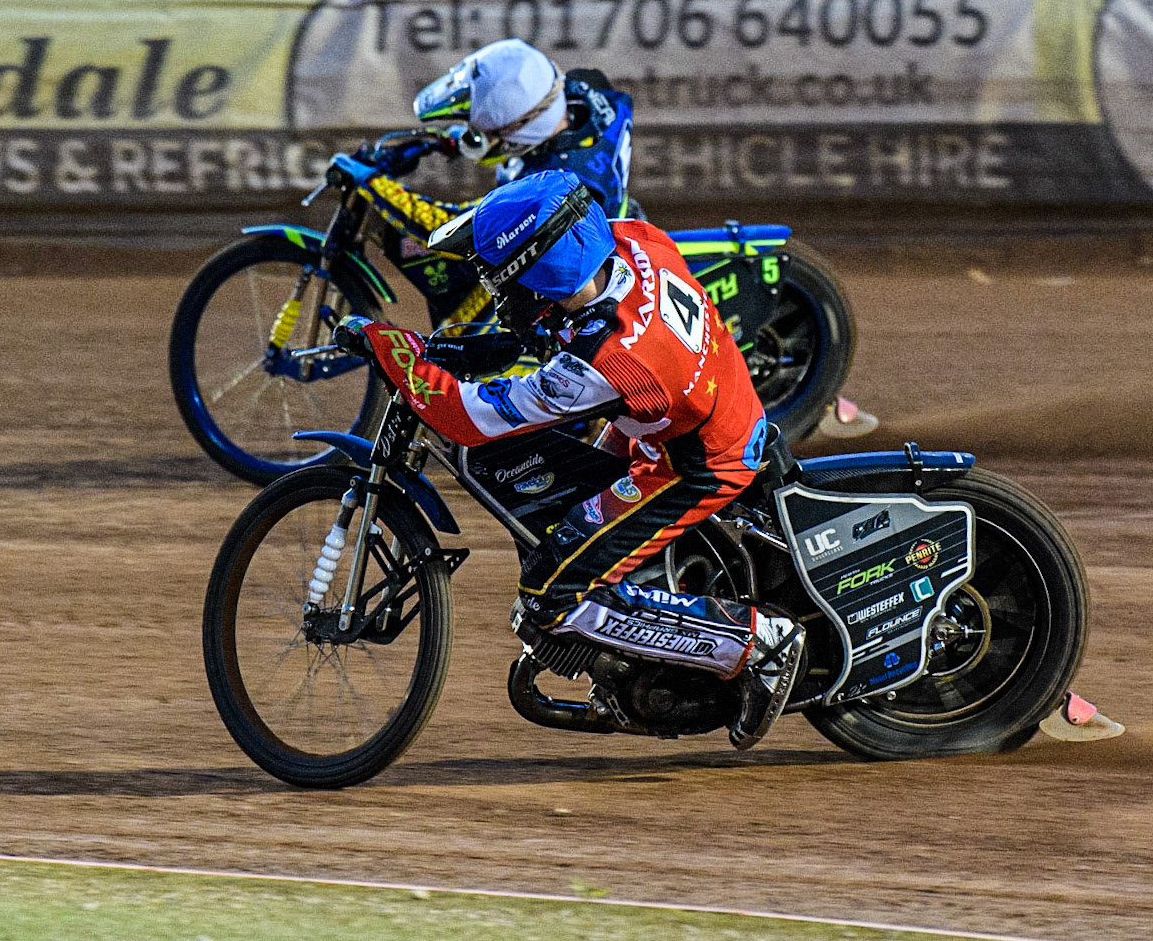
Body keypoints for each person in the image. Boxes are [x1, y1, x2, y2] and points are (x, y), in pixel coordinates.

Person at [337, 169, 805, 749]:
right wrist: (474, 343)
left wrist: (393, 349)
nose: (492, 290)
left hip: (694, 460)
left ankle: (756, 643)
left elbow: (466, 418)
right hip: (691, 411)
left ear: (539, 272)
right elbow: (562, 328)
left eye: (498, 279)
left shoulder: (602, 360)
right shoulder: (634, 239)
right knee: (575, 513)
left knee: (551, 598)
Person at [403, 37, 876, 438]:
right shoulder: (579, 95)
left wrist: (392, 194)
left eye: (492, 133)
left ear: (524, 128)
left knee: (542, 329)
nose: (486, 141)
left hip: (602, 263)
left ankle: (572, 412)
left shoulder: (564, 176)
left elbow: (479, 226)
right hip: (626, 229)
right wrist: (450, 137)